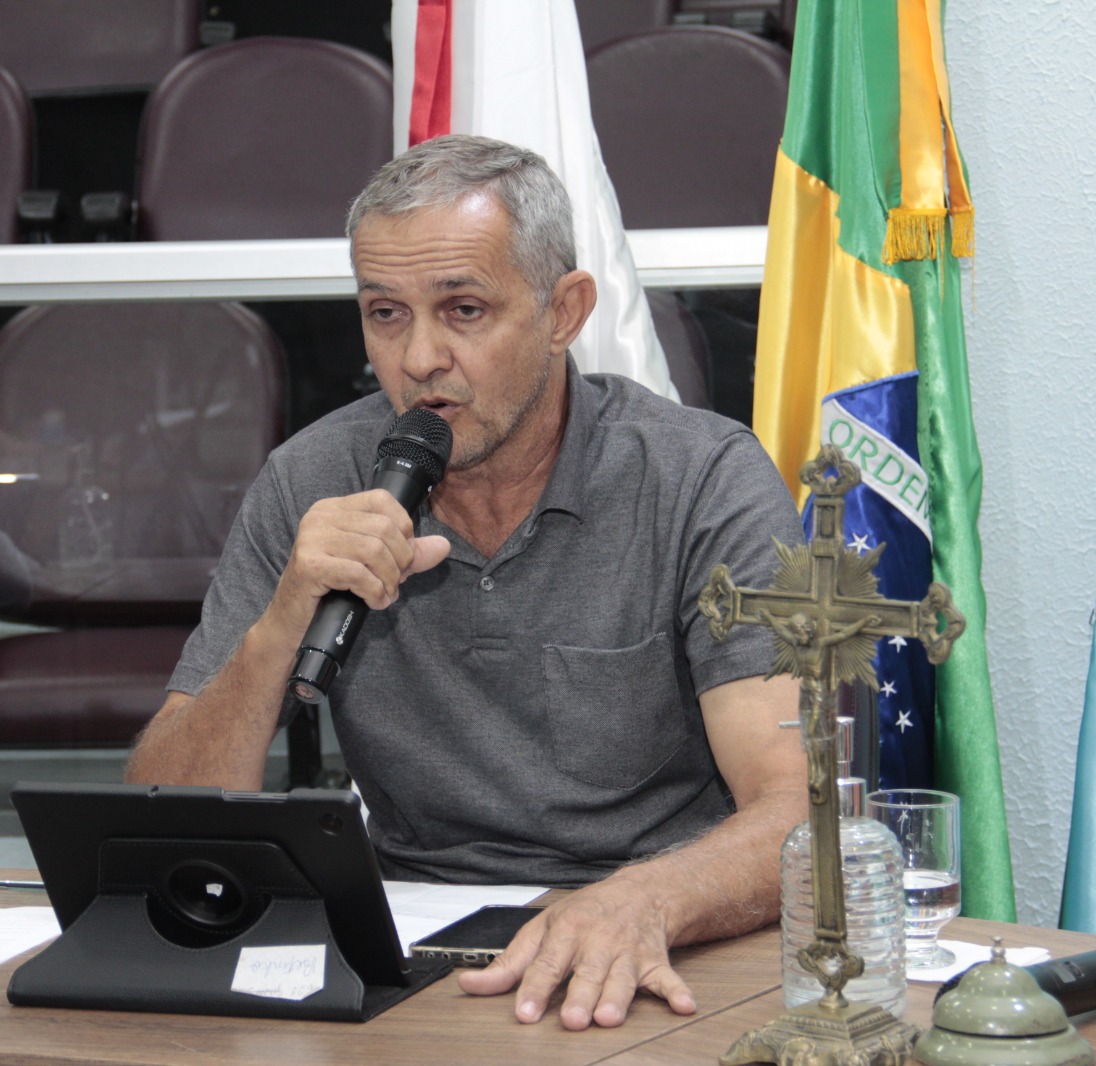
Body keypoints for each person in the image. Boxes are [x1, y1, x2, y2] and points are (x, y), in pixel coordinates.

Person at [126, 134, 808, 1030]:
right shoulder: (312, 480)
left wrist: (643, 900)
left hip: (659, 935)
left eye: (464, 310)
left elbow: (796, 810)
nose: (419, 358)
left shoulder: (701, 478)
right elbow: (163, 822)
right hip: (415, 948)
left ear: (564, 312)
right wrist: (279, 627)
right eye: (386, 313)